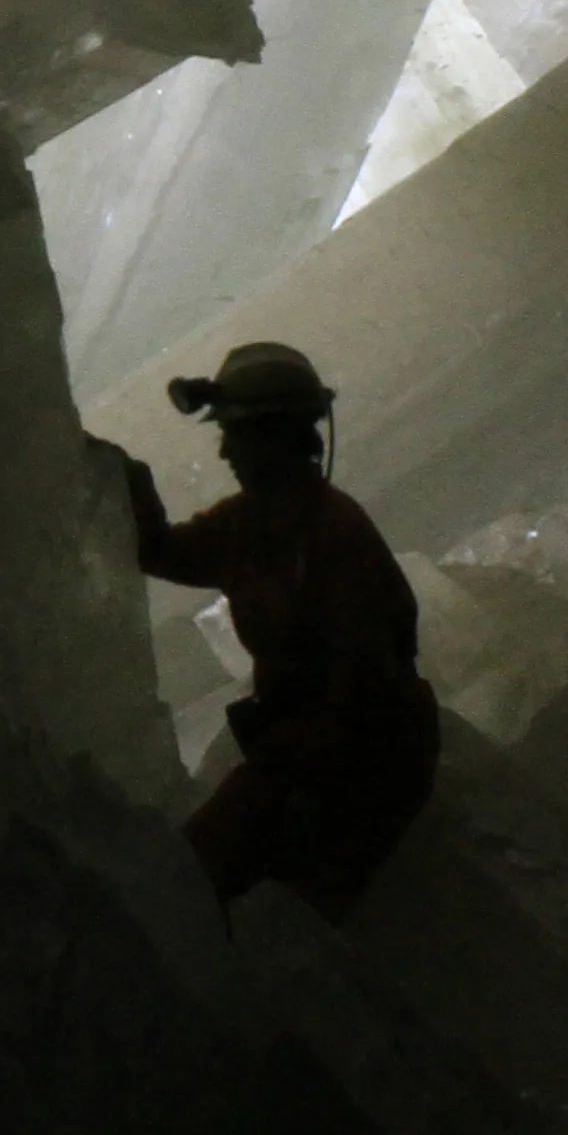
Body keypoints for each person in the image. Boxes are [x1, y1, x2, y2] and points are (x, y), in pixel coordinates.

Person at [106, 342, 440, 915]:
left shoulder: (335, 538)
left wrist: (286, 786)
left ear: (276, 439)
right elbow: (164, 552)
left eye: (234, 434)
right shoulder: (248, 525)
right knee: (199, 877)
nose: (224, 451)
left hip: (368, 758)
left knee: (221, 889)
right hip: (303, 749)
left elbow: (363, 691)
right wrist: (122, 480)